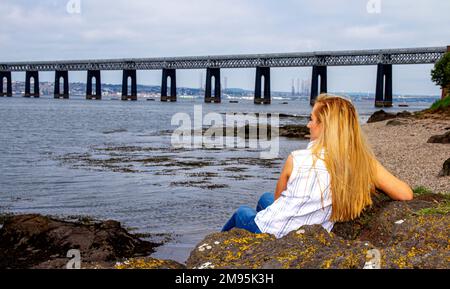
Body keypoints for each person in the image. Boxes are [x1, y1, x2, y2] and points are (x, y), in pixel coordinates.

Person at [222, 94, 413, 238]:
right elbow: (405, 194)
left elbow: (280, 201)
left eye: (311, 119)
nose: (307, 125)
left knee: (242, 213)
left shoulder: (297, 159)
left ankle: (216, 248)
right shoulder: (363, 162)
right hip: (312, 231)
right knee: (265, 198)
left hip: (276, 232)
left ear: (324, 126)